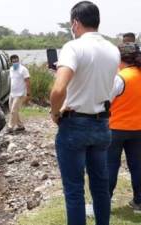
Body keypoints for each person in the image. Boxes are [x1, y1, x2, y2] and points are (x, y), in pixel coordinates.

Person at [49, 2, 120, 225]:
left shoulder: (73, 47)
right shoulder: (113, 49)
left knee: (74, 190)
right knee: (100, 187)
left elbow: (58, 89)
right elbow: (113, 85)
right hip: (102, 124)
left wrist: (55, 113)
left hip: (75, 124)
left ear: (75, 23)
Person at [108, 42, 141, 211]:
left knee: (110, 165)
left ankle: (104, 202)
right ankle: (139, 202)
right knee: (137, 165)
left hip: (116, 128)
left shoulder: (120, 77)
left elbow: (106, 101)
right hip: (138, 129)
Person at [7, 54, 30, 134]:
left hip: (20, 94)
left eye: (17, 61)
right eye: (14, 61)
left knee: (13, 111)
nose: (15, 62)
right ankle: (20, 126)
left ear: (18, 60)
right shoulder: (11, 69)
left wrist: (28, 93)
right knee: (12, 110)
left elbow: (27, 81)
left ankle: (10, 127)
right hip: (12, 93)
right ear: (11, 62)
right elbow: (12, 81)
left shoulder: (23, 69)